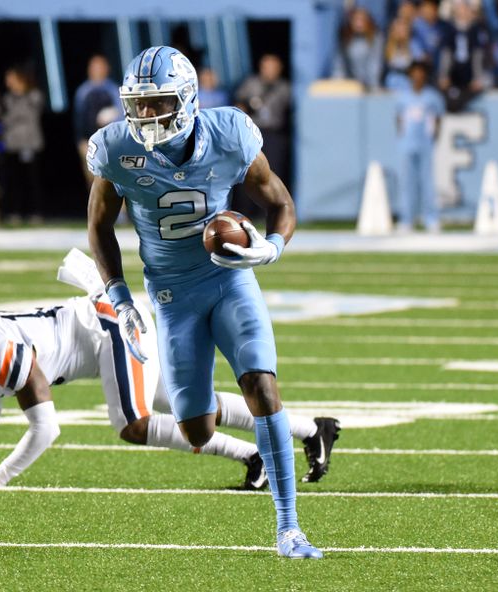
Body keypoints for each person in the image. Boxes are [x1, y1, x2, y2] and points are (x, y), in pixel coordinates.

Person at [85, 46, 323, 559]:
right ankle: (255, 423)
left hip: (228, 279)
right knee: (196, 425)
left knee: (262, 383)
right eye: (139, 104)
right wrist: (120, 296)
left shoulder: (230, 133)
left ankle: (289, 528)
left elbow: (279, 202)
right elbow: (99, 227)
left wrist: (270, 246)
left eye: (159, 102)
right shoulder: (115, 147)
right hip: (171, 296)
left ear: (189, 98)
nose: (146, 116)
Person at [0, 249, 341, 491]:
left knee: (133, 423)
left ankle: (256, 454)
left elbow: (46, 429)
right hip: (100, 332)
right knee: (184, 404)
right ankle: (309, 430)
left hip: (107, 325)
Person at [396, 60, 445, 233]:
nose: (417, 76)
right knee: (407, 182)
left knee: (427, 182)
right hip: (407, 144)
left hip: (425, 143)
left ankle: (431, 218)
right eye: (414, 72)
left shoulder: (432, 97)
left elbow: (438, 119)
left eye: (420, 72)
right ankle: (407, 218)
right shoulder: (403, 97)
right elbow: (398, 119)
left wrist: (434, 138)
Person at [234, 54, 291, 189]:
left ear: (279, 69)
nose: (269, 71)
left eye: (273, 68)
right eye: (266, 67)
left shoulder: (285, 88)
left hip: (274, 134)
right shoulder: (250, 84)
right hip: (252, 133)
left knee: (274, 170)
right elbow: (238, 106)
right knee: (248, 170)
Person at [1, 66, 45, 224]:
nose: (8, 82)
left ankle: (35, 212)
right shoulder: (7, 98)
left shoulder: (34, 95)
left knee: (31, 180)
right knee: (14, 181)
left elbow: (27, 114)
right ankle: (15, 212)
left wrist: (15, 114)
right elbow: (5, 118)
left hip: (30, 144)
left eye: (10, 78)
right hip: (12, 145)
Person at [73, 55, 122, 190]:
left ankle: (122, 211)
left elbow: (122, 117)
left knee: (117, 180)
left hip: (112, 144)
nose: (97, 70)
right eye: (94, 67)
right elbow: (79, 119)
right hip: (89, 143)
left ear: (107, 69)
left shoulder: (114, 90)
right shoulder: (83, 91)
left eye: (101, 66)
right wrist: (81, 142)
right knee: (94, 182)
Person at [437, 0, 492, 112]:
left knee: (484, 84)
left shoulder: (475, 30)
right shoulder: (450, 30)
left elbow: (477, 55)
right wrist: (444, 75)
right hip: (454, 74)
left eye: (465, 9)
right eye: (461, 9)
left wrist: (477, 77)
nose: (463, 12)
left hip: (469, 75)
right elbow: (446, 54)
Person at [333, 6, 384, 89]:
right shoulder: (346, 38)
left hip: (370, 84)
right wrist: (338, 82)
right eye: (356, 20)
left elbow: (375, 64)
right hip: (351, 84)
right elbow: (339, 63)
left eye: (362, 20)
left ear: (367, 22)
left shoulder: (376, 38)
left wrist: (373, 86)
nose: (358, 23)